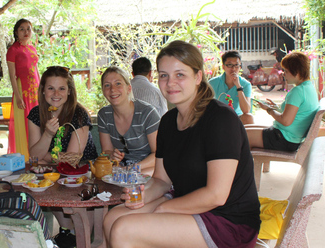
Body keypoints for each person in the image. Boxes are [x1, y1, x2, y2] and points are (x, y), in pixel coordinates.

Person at [101, 40, 260, 248]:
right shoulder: (168, 121)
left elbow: (216, 195)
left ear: (198, 77)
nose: (170, 83)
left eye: (180, 75)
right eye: (164, 75)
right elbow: (161, 179)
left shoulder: (220, 119)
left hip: (227, 220)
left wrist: (166, 209)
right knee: (112, 219)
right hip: (186, 201)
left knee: (124, 230)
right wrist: (143, 195)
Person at [246, 51, 319, 151]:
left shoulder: (298, 91)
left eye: (286, 71)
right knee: (243, 131)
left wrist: (269, 110)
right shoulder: (308, 87)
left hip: (284, 139)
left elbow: (285, 121)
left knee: (240, 137)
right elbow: (296, 113)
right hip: (289, 138)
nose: (283, 74)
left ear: (296, 73)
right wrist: (276, 107)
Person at [97, 66, 160, 176]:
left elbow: (159, 155)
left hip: (148, 168)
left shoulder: (147, 113)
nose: (112, 89)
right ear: (103, 91)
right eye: (107, 85)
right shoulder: (103, 115)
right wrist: (112, 155)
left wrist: (132, 169)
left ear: (129, 88)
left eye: (118, 84)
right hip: (121, 170)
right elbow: (106, 152)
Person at [28, 66, 98, 163]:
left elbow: (71, 159)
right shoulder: (35, 114)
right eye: (51, 88)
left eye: (61, 89)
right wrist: (47, 135)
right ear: (43, 90)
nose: (56, 94)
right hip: (54, 167)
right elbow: (34, 156)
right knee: (36, 163)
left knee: (39, 162)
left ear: (69, 91)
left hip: (82, 168)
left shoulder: (79, 114)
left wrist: (44, 156)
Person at [6, 19, 40, 161]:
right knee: (25, 124)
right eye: (22, 29)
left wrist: (42, 89)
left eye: (28, 29)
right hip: (23, 91)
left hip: (36, 91)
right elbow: (12, 76)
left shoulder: (32, 48)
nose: (26, 32)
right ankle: (26, 159)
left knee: (38, 124)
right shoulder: (13, 50)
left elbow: (36, 70)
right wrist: (18, 97)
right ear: (16, 32)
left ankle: (38, 157)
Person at [209, 50, 254, 125]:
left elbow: (246, 110)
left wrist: (238, 87)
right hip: (218, 117)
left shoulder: (245, 84)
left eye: (236, 65)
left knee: (248, 117)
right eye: (229, 65)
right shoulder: (212, 83)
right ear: (223, 67)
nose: (233, 69)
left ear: (240, 67)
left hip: (237, 117)